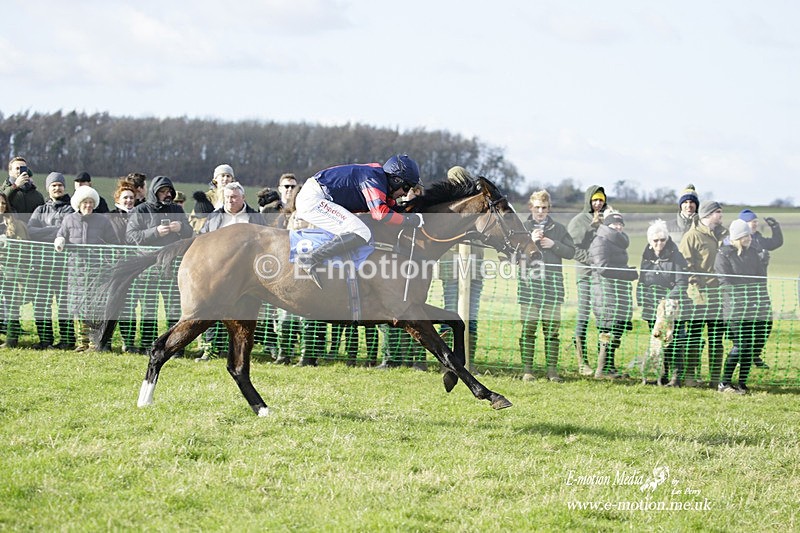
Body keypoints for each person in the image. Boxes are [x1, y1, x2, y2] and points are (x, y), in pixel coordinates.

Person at [293, 154, 424, 288]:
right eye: (407, 187)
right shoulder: (373, 179)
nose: (405, 193)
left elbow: (393, 209)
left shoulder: (380, 181)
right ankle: (309, 258)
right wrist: (410, 221)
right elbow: (380, 214)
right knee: (361, 232)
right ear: (396, 180)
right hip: (313, 199)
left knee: (360, 229)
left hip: (320, 195)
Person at [196, 182, 268, 361]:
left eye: (234, 197)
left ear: (243, 198)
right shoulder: (214, 217)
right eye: (227, 197)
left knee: (242, 315)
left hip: (247, 276)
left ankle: (239, 351)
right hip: (218, 274)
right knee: (212, 312)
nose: (230, 200)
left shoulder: (255, 217)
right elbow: (202, 239)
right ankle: (210, 349)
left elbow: (266, 242)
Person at [126, 175, 192, 353]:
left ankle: (176, 347)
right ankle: (148, 345)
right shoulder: (140, 210)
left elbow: (190, 233)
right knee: (149, 309)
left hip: (172, 267)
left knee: (174, 309)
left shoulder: (177, 210)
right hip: (148, 268)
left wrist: (182, 229)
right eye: (163, 191)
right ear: (155, 193)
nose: (167, 194)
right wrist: (155, 232)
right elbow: (131, 237)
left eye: (169, 191)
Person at [517, 190, 575, 382]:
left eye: (544, 208)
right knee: (528, 328)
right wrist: (530, 242)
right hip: (529, 288)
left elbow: (571, 252)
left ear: (549, 208)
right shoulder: (522, 228)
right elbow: (513, 257)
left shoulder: (559, 229)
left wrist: (554, 244)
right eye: (537, 207)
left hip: (553, 287)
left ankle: (552, 371)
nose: (540, 211)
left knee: (552, 330)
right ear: (530, 207)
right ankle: (527, 370)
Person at [54, 186, 118, 351]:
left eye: (91, 202)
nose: (88, 205)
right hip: (76, 271)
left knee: (95, 307)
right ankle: (82, 342)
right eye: (85, 202)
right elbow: (61, 234)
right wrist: (60, 241)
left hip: (98, 271)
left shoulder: (103, 220)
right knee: (79, 308)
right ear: (78, 203)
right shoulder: (69, 219)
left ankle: (94, 343)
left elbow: (112, 242)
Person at [716, 219, 770, 394]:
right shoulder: (723, 255)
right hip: (735, 309)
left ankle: (742, 383)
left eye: (749, 235)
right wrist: (743, 297)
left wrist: (762, 302)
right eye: (746, 235)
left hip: (754, 307)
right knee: (741, 344)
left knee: (751, 344)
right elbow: (724, 282)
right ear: (738, 237)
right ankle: (724, 383)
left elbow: (761, 280)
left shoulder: (753, 253)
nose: (749, 238)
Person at [437, 167, 484, 368]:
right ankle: (447, 362)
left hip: (474, 270)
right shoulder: (446, 208)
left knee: (471, 318)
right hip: (450, 271)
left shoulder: (477, 207)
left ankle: (468, 362)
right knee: (449, 315)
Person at [678, 200, 728, 388]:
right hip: (698, 295)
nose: (721, 216)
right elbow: (685, 264)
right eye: (718, 212)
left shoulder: (724, 235)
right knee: (695, 337)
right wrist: (695, 282)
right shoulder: (692, 236)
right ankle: (691, 376)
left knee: (717, 338)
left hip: (720, 294)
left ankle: (716, 379)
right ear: (707, 215)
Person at [637, 219, 689, 386]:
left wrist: (667, 301)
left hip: (672, 308)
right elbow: (642, 281)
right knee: (657, 343)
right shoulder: (646, 258)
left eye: (662, 240)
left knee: (674, 341)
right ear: (650, 242)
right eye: (655, 240)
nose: (659, 243)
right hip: (652, 307)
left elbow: (682, 282)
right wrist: (641, 299)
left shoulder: (677, 256)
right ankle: (661, 375)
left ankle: (676, 377)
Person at [588, 210, 638, 379]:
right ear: (606, 225)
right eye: (614, 224)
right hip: (605, 291)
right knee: (607, 329)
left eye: (620, 224)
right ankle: (601, 370)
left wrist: (626, 273)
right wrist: (629, 273)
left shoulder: (619, 241)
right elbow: (603, 268)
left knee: (616, 329)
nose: (618, 227)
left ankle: (610, 367)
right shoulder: (600, 241)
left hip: (618, 291)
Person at [27, 172, 75, 349]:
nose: (57, 188)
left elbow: (69, 231)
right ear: (48, 188)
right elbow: (31, 231)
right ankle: (45, 339)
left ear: (64, 187)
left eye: (60, 185)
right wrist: (56, 231)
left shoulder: (71, 209)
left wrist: (50, 231)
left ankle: (67, 340)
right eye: (53, 185)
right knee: (41, 303)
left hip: (64, 265)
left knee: (64, 303)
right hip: (42, 264)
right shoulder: (40, 210)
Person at [567, 185, 608, 375]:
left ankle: (604, 363)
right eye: (594, 200)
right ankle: (582, 361)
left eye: (601, 200)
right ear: (588, 201)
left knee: (603, 317)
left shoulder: (608, 218)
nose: (598, 203)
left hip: (604, 277)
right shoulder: (578, 221)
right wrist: (592, 258)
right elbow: (573, 249)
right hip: (585, 275)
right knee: (583, 316)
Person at [735, 209, 783, 369]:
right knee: (745, 325)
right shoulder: (736, 241)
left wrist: (775, 227)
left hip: (761, 288)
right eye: (751, 221)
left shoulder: (759, 239)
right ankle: (743, 354)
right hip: (744, 291)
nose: (754, 224)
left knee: (766, 323)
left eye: (755, 221)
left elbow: (776, 243)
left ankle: (754, 354)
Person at [108, 182, 141, 353]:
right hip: (116, 265)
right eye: (125, 198)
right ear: (118, 199)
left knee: (130, 305)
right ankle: (106, 341)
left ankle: (128, 342)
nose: (128, 201)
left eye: (131, 198)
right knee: (113, 303)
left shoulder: (139, 215)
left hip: (134, 266)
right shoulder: (111, 216)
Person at [0, 191, 30, 348]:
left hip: (10, 269)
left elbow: (22, 248)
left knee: (11, 304)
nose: (1, 206)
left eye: (3, 203)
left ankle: (11, 339)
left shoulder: (15, 224)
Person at [189, 164, 236, 233]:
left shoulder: (238, 197)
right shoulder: (206, 198)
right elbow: (193, 220)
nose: (225, 179)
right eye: (222, 175)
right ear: (215, 179)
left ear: (232, 180)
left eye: (228, 176)